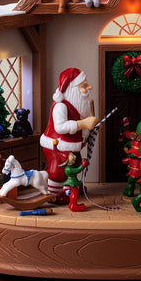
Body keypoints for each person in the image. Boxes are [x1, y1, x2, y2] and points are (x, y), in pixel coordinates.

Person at [40, 68, 98, 203]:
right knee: (58, 170)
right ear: (72, 89)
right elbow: (60, 127)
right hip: (57, 146)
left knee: (74, 164)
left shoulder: (81, 105)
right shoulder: (60, 106)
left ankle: (69, 189)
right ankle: (54, 194)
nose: (89, 87)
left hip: (72, 145)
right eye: (84, 85)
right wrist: (83, 124)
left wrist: (89, 131)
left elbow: (85, 124)